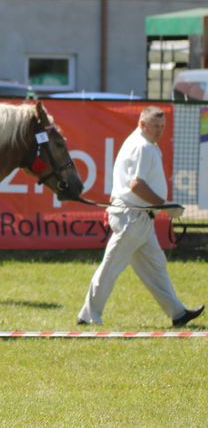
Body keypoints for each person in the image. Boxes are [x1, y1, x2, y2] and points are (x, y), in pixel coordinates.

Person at [77, 106, 203, 326]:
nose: (159, 131)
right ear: (142, 124)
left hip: (139, 218)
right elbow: (137, 185)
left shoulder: (142, 143)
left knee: (156, 266)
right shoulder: (143, 146)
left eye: (162, 127)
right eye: (155, 126)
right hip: (132, 217)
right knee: (111, 267)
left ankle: (178, 313)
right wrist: (165, 205)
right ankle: (88, 315)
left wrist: (162, 206)